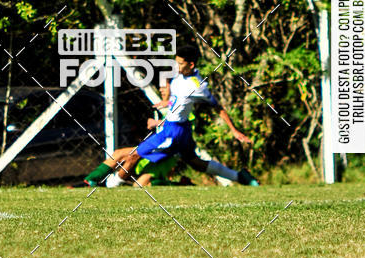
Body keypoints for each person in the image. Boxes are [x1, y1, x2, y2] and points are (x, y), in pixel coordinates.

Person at [105, 43, 259, 187]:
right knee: (194, 162)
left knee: (137, 153)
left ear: (191, 65)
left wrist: (234, 130)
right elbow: (174, 93)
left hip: (174, 130)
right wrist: (166, 101)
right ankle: (239, 176)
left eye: (180, 63)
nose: (176, 66)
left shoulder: (197, 86)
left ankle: (112, 185)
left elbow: (217, 107)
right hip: (180, 129)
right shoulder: (179, 75)